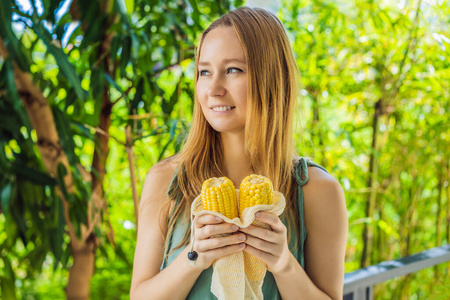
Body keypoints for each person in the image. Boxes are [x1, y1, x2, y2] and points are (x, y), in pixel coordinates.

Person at [130, 6, 347, 300]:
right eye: (204, 72)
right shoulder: (165, 181)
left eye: (233, 70)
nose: (213, 88)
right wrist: (195, 257)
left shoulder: (317, 191)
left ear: (272, 77)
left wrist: (283, 263)